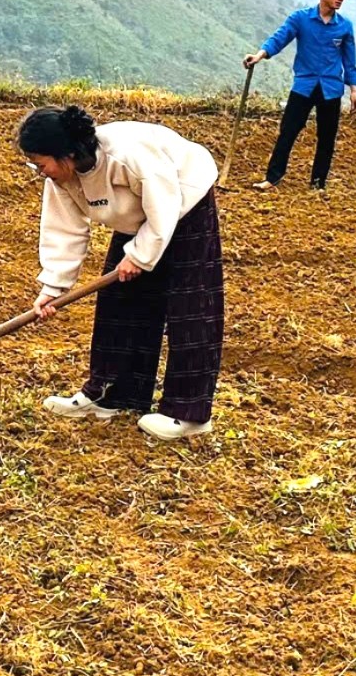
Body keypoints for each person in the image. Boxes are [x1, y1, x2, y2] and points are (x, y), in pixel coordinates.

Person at [17, 105, 225, 442]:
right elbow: (64, 230)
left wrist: (141, 256)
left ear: (67, 153)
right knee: (119, 301)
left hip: (185, 200)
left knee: (190, 307)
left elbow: (164, 204)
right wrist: (54, 286)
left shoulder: (128, 154)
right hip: (140, 213)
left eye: (41, 164)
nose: (40, 172)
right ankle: (113, 395)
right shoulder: (61, 178)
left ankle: (189, 413)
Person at [244, 0, 356, 191]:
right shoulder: (301, 19)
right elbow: (280, 37)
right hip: (304, 86)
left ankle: (318, 184)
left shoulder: (345, 26)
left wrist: (353, 90)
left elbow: (349, 59)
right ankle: (273, 178)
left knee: (326, 138)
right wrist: (260, 55)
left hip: (331, 89)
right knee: (288, 131)